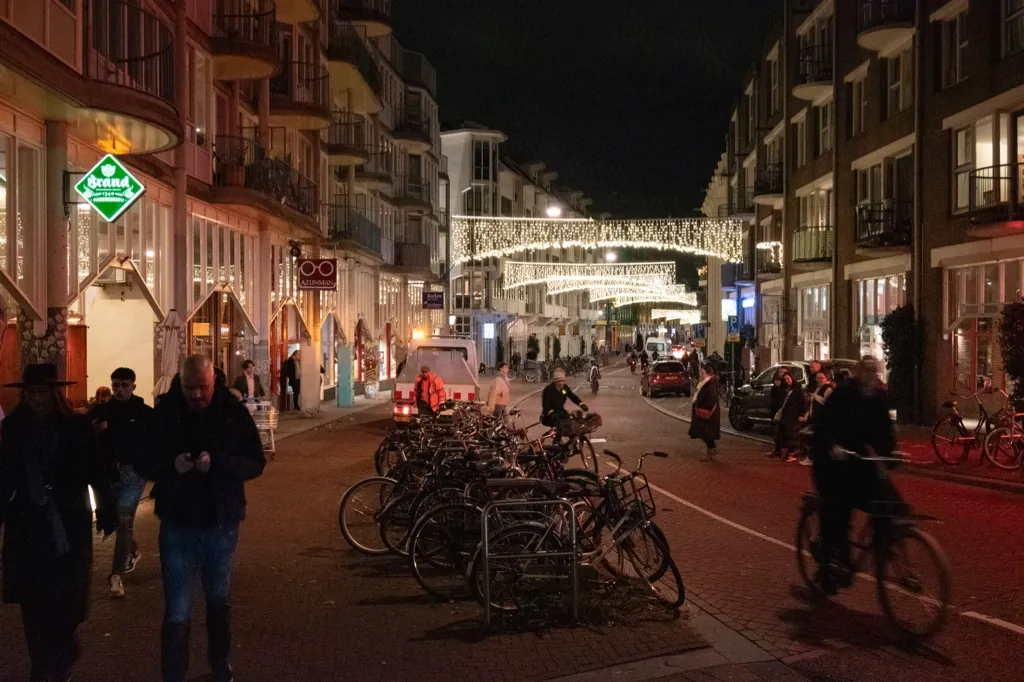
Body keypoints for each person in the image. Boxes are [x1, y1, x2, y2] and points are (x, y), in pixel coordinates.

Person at [138, 355, 266, 682]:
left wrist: (219, 463)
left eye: (202, 387)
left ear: (214, 381)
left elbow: (255, 461)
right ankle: (175, 673)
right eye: (188, 387)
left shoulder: (232, 413)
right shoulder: (165, 413)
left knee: (218, 598)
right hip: (179, 520)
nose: (195, 394)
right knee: (177, 607)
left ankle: (219, 663)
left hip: (219, 519)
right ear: (179, 384)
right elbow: (144, 460)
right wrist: (172, 466)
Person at [0, 363, 117, 681]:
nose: (36, 399)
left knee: (67, 602)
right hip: (28, 527)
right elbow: (4, 477)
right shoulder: (13, 429)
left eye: (42, 393)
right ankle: (41, 665)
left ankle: (61, 652)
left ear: (54, 393)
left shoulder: (76, 428)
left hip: (68, 526)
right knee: (33, 603)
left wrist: (106, 511)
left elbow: (95, 470)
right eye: (31, 393)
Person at [811, 356, 902, 595]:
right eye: (868, 371)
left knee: (889, 502)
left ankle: (886, 544)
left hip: (859, 460)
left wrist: (892, 451)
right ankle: (828, 564)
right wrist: (833, 446)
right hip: (834, 462)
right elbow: (824, 423)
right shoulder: (843, 393)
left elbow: (884, 430)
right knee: (837, 511)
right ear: (859, 372)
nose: (872, 376)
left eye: (875, 371)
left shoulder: (878, 397)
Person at [89, 366, 153, 598]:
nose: (119, 390)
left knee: (124, 518)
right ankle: (132, 550)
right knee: (115, 519)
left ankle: (116, 575)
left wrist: (144, 467)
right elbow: (84, 437)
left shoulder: (144, 412)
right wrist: (94, 432)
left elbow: (152, 441)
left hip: (132, 475)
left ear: (133, 386)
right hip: (107, 476)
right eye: (116, 385)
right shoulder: (100, 411)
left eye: (125, 385)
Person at [689, 362, 721, 461]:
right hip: (704, 411)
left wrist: (701, 404)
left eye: (702, 373)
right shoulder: (706, 383)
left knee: (705, 432)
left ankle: (710, 453)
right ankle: (712, 450)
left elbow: (711, 398)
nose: (700, 374)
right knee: (704, 432)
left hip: (707, 412)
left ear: (708, 374)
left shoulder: (709, 384)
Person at [773, 372, 805, 462]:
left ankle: (792, 454)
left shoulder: (797, 389)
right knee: (784, 433)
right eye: (785, 379)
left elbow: (801, 402)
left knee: (792, 435)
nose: (787, 381)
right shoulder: (786, 389)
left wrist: (801, 414)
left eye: (788, 379)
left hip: (793, 415)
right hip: (786, 414)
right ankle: (785, 452)